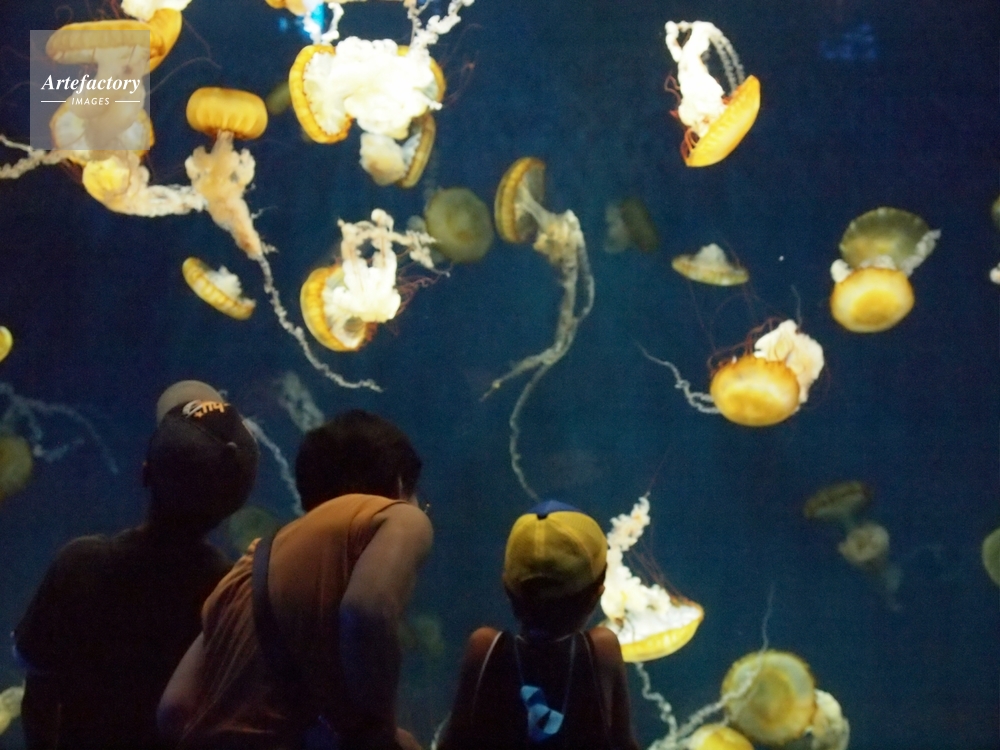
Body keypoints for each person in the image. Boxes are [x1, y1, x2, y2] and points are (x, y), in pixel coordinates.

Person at [159, 409, 433, 750]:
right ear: (400, 485)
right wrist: (379, 731)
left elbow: (173, 709)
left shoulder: (251, 561)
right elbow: (367, 611)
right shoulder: (399, 517)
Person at [14, 380, 260, 750]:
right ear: (237, 503)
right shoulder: (230, 597)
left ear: (145, 472)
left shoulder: (81, 564)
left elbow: (39, 694)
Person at [438, 500, 640, 750]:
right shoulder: (602, 650)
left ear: (507, 588)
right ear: (597, 594)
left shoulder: (484, 648)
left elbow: (452, 743)